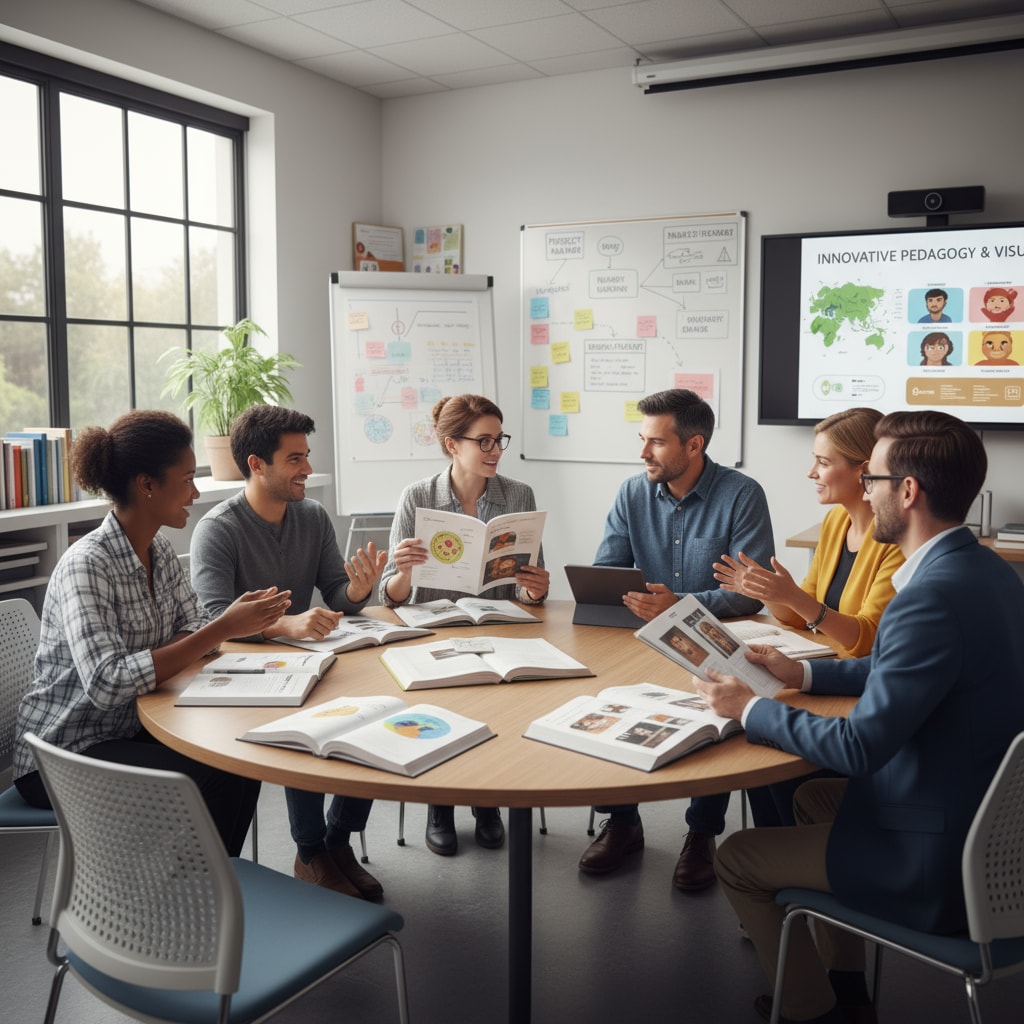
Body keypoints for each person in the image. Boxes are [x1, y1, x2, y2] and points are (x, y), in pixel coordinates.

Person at [695, 410, 1024, 1024]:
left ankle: (810, 1010)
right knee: (814, 799)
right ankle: (847, 984)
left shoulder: (926, 598)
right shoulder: (986, 573)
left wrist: (753, 708)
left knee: (738, 857)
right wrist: (806, 674)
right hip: (989, 826)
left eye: (871, 478)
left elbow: (859, 749)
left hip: (936, 861)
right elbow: (906, 671)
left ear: (907, 490)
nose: (866, 491)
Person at [13, 411, 291, 857]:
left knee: (239, 757)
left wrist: (179, 644)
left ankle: (218, 887)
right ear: (147, 485)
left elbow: (194, 623)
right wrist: (222, 627)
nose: (195, 493)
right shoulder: (87, 564)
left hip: (130, 726)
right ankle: (199, 895)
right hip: (65, 751)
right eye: (186, 480)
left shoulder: (158, 547)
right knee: (215, 773)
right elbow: (108, 684)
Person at [578, 388, 774, 890]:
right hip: (640, 634)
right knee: (612, 698)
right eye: (642, 440)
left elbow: (749, 595)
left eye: (656, 443)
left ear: (694, 445)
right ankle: (623, 821)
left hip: (713, 641)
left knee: (718, 709)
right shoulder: (631, 492)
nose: (643, 453)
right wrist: (628, 595)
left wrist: (682, 605)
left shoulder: (742, 494)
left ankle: (702, 834)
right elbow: (609, 570)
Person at [190, 405, 387, 899]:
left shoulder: (312, 516)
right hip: (241, 677)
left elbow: (335, 593)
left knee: (375, 705)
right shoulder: (218, 529)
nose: (306, 470)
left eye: (307, 456)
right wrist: (287, 626)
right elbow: (213, 625)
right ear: (256, 464)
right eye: (294, 459)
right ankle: (311, 850)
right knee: (307, 721)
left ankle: (337, 840)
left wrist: (359, 592)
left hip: (300, 660)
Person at [712, 407, 904, 826]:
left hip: (856, 689)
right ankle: (776, 839)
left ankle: (784, 843)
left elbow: (865, 639)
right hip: (829, 673)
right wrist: (766, 590)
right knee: (755, 717)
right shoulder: (835, 521)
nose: (811, 473)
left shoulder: (894, 539)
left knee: (762, 727)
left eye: (823, 462)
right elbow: (799, 617)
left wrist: (796, 599)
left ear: (864, 471)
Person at [379, 394, 549, 856]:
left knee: (499, 706)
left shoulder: (517, 495)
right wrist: (404, 573)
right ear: (453, 444)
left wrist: (536, 586)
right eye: (485, 441)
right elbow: (387, 594)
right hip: (431, 630)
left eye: (499, 440)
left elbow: (531, 591)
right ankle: (440, 806)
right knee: (443, 710)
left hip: (497, 628)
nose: (495, 450)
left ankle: (487, 802)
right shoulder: (417, 497)